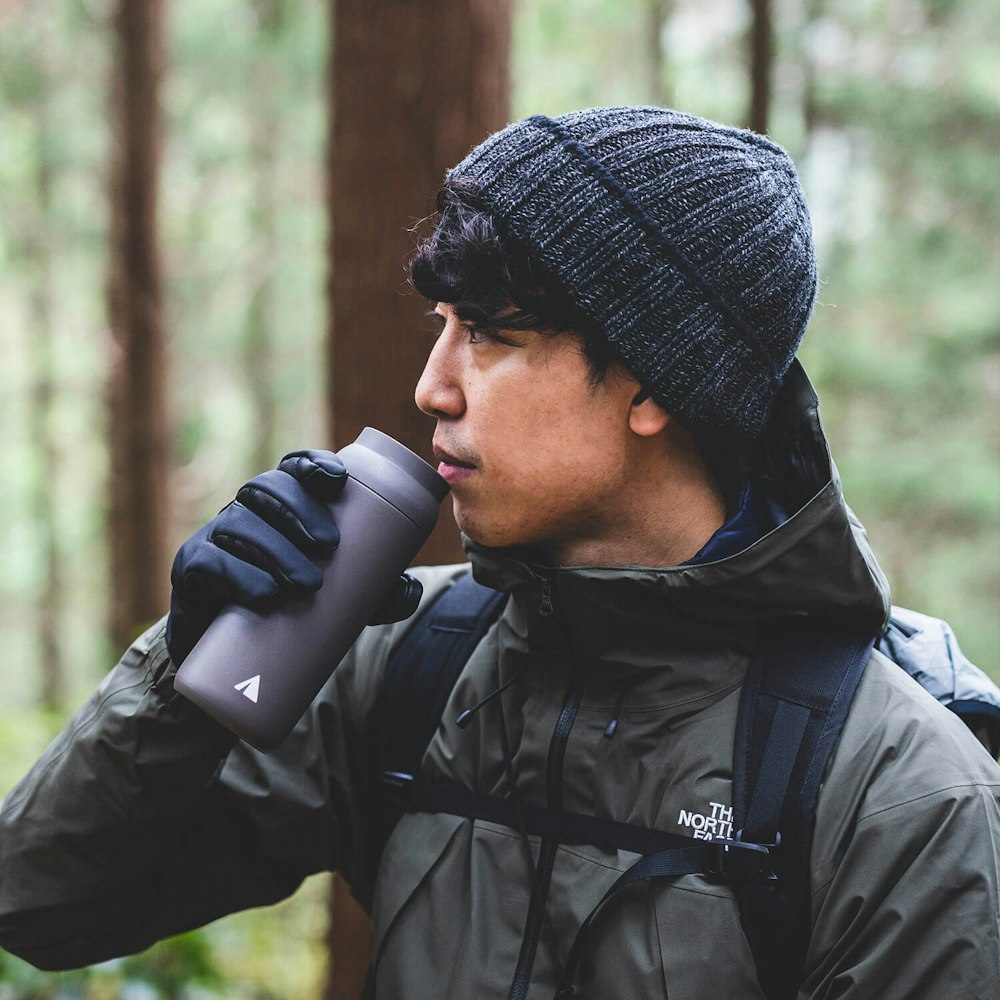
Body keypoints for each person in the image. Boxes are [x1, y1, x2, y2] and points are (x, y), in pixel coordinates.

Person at [1, 106, 998, 999]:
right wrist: (183, 667)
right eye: (442, 326)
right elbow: (38, 905)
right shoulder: (402, 663)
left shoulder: (893, 788)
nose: (433, 386)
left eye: (485, 334)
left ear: (654, 382)